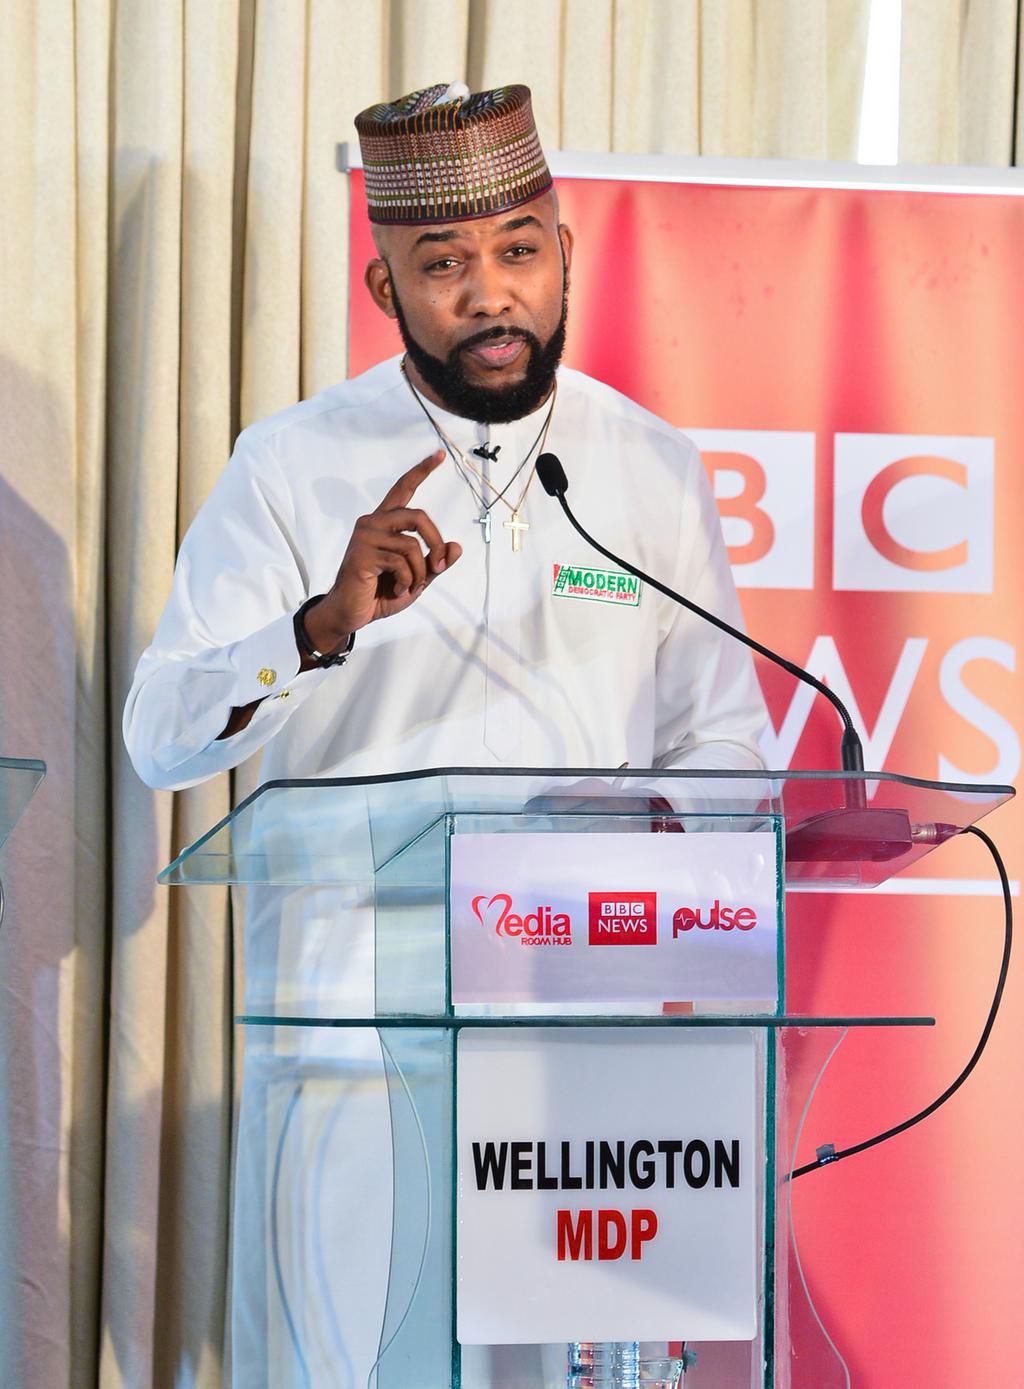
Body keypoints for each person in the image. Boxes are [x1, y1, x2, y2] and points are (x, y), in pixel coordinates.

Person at [124, 82, 767, 1389]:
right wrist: (315, 626)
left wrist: (643, 828)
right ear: (385, 285)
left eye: (519, 252)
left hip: (585, 1036)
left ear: (564, 254)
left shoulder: (649, 466)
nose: (490, 294)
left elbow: (728, 745)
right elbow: (161, 736)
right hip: (360, 1039)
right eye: (444, 265)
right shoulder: (294, 464)